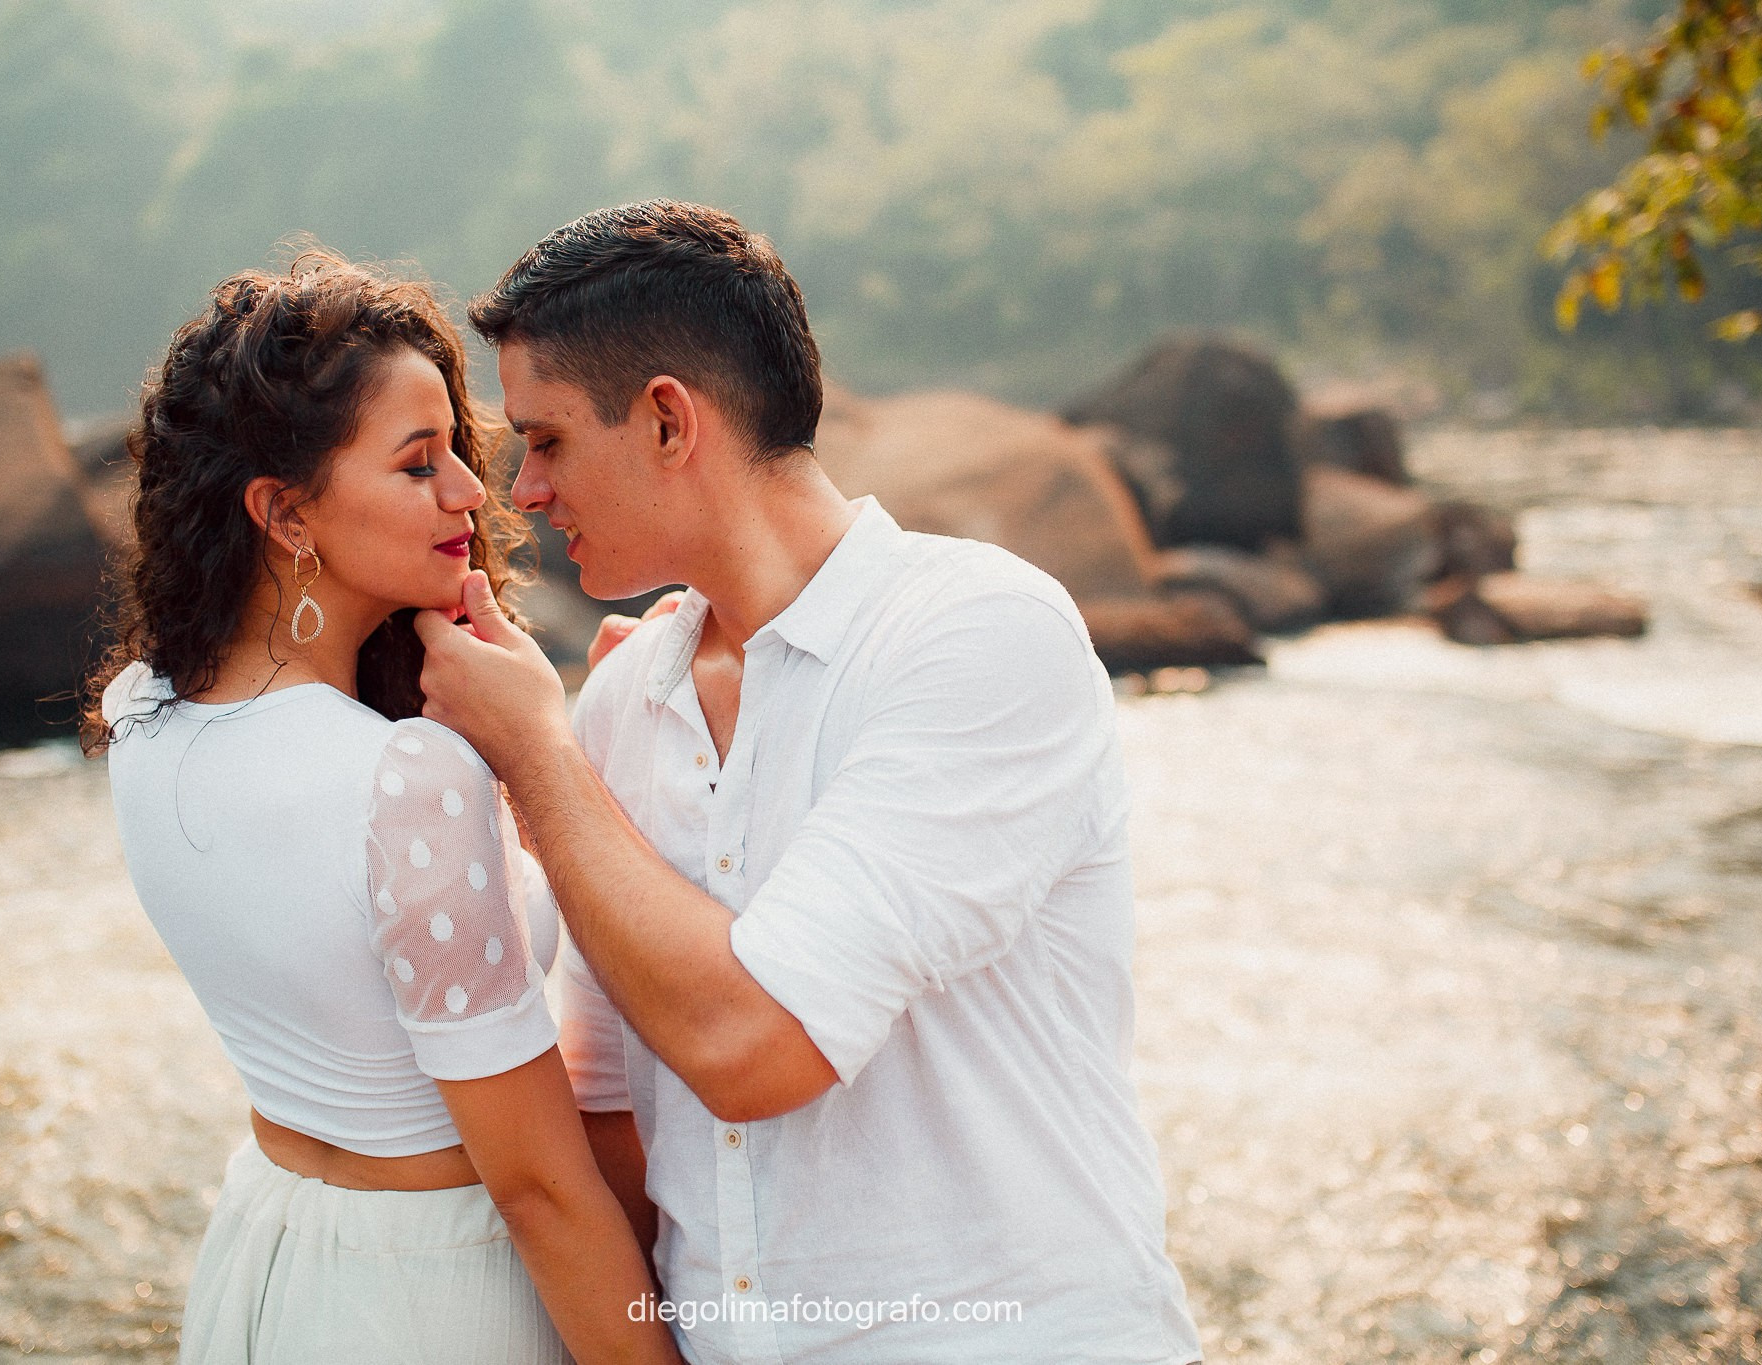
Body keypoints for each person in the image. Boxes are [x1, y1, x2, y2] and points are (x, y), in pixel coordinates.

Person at [415, 201, 1204, 1363]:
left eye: (545, 441)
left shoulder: (978, 634)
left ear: (669, 421)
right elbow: (612, 1108)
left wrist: (531, 755)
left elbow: (754, 1049)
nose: (518, 492)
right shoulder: (622, 704)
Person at [84, 246, 681, 1365]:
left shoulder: (145, 714)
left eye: (461, 450)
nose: (471, 493)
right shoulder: (407, 780)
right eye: (418, 465)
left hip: (266, 1257)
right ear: (283, 512)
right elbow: (540, 1190)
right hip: (433, 1297)